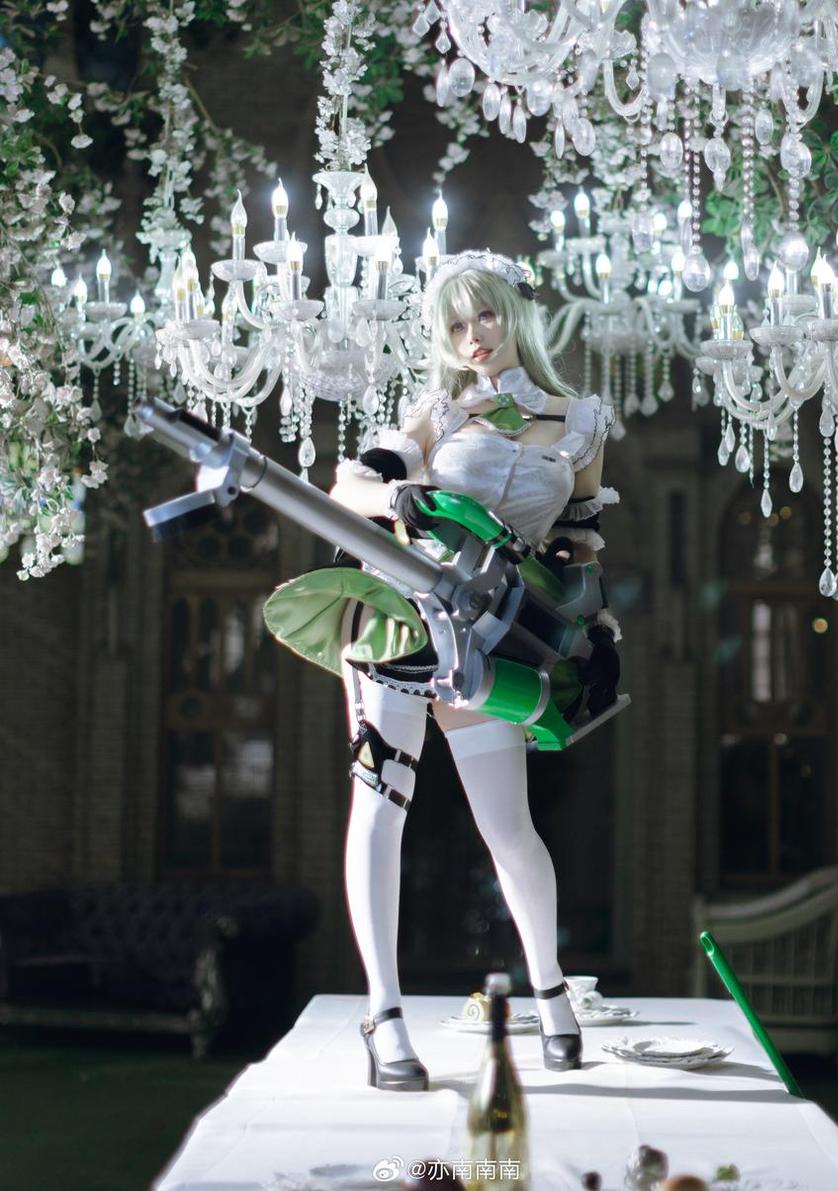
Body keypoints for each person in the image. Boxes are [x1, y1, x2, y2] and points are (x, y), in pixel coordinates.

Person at [326, 250, 620, 1091]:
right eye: (455, 325)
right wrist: (396, 496)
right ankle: (384, 1015)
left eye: (483, 316)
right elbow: (347, 490)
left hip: (491, 634)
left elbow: (578, 546)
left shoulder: (580, 423)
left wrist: (600, 630)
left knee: (509, 826)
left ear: (513, 312)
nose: (472, 337)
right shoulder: (439, 411)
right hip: (401, 616)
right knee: (382, 806)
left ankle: (552, 996)